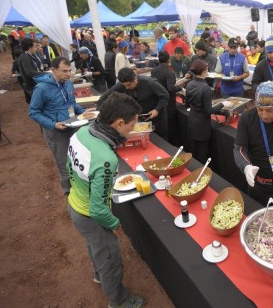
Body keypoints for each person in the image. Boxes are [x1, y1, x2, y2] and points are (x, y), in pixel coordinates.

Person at [67, 92, 146, 308]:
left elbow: (69, 170)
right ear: (119, 123)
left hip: (75, 203)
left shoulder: (82, 132)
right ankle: (119, 301)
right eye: (132, 126)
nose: (132, 131)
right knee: (110, 258)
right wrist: (115, 224)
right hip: (90, 215)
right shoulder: (106, 159)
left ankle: (98, 275)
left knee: (95, 248)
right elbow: (98, 210)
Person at [29, 57, 85, 195]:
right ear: (53, 70)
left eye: (70, 70)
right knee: (64, 164)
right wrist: (53, 124)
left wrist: (84, 113)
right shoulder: (42, 88)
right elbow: (33, 112)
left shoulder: (68, 83)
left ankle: (82, 191)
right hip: (57, 132)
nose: (68, 74)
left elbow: (71, 104)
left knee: (78, 159)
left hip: (74, 127)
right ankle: (70, 195)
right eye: (64, 71)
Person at [98, 68, 169, 142]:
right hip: (140, 119)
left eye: (129, 85)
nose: (126, 88)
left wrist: (157, 109)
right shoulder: (123, 84)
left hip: (157, 118)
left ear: (135, 78)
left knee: (161, 141)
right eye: (124, 85)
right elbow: (105, 96)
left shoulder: (150, 82)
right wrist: (100, 111)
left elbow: (165, 96)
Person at [185, 59, 232, 163]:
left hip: (192, 120)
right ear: (204, 71)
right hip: (202, 124)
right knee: (202, 151)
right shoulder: (205, 88)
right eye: (207, 69)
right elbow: (209, 111)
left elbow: (187, 103)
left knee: (194, 148)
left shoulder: (190, 84)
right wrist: (222, 104)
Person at [151, 50, 181, 145]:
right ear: (168, 60)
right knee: (170, 124)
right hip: (168, 103)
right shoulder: (169, 73)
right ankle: (171, 144)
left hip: (157, 102)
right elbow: (171, 88)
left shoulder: (154, 71)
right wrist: (180, 88)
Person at [18, 38, 45, 103]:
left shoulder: (30, 56)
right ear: (30, 47)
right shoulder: (24, 57)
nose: (36, 48)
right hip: (31, 86)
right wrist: (45, 73)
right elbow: (29, 72)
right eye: (35, 46)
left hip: (34, 84)